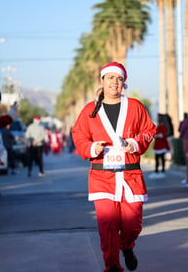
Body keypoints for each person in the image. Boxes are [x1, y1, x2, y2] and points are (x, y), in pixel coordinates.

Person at [72, 62, 156, 272]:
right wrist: (91, 147)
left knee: (132, 223)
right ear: (102, 80)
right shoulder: (90, 111)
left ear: (123, 83)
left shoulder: (135, 107)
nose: (114, 83)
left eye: (119, 79)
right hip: (102, 178)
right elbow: (79, 135)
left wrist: (135, 143)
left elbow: (148, 130)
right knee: (107, 226)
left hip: (130, 176)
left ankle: (126, 245)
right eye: (110, 78)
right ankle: (112, 266)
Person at [149, 113, 170, 179]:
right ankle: (156, 170)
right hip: (158, 144)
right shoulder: (159, 125)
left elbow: (163, 134)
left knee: (161, 157)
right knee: (157, 158)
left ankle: (162, 170)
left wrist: (157, 135)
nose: (157, 118)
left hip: (161, 144)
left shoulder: (163, 126)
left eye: (158, 117)